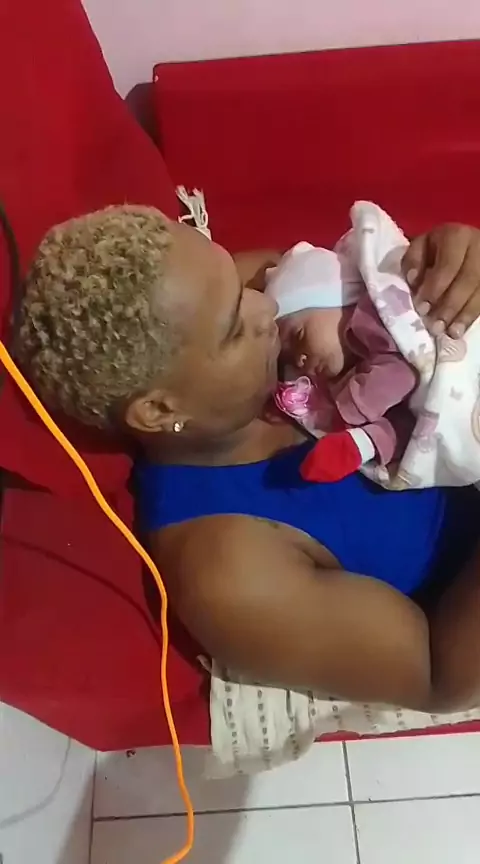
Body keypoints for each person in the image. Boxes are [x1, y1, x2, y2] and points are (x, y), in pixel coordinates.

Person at [17, 206, 480, 714]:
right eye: (235, 329)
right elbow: (442, 677)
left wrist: (445, 266)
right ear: (160, 410)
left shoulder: (233, 301)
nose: (268, 304)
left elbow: (374, 286)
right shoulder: (230, 571)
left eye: (242, 289)